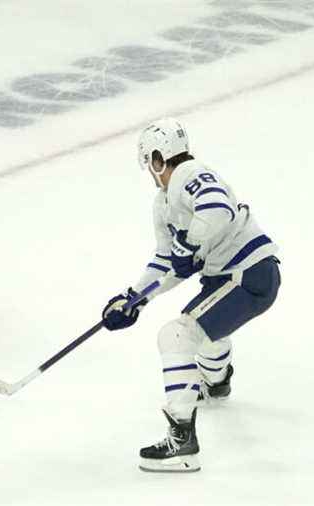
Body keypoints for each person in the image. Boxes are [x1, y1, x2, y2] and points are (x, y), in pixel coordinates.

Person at [101, 118, 280, 472]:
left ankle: (182, 442)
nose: (151, 173)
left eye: (150, 164)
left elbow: (218, 208)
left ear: (156, 159)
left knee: (177, 335)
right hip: (237, 277)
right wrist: (134, 298)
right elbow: (167, 260)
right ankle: (216, 382)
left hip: (247, 274)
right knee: (204, 328)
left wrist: (189, 244)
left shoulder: (189, 173)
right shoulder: (164, 202)